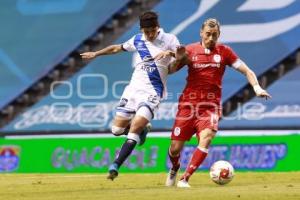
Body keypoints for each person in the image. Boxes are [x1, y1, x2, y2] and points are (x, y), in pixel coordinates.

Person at [163, 18, 271, 188]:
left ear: (219, 34)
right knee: (175, 148)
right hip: (188, 106)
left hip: (210, 107)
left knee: (206, 138)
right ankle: (175, 168)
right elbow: (169, 71)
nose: (211, 38)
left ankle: (185, 178)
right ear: (201, 33)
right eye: (208, 34)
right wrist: (179, 59)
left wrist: (257, 88)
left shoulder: (225, 52)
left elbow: (247, 70)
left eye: (214, 35)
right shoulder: (190, 50)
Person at [80, 11, 180, 180]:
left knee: (134, 128)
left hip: (152, 92)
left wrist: (170, 53)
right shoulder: (137, 39)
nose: (149, 35)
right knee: (117, 129)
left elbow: (184, 55)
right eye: (145, 31)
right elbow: (117, 48)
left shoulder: (169, 39)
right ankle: (144, 130)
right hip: (132, 89)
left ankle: (115, 165)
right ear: (141, 30)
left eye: (152, 31)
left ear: (157, 27)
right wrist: (96, 53)